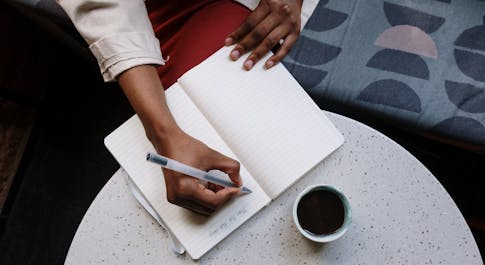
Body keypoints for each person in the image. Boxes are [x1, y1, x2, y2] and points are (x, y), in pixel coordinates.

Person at [58, 0, 319, 215]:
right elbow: (106, 10)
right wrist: (164, 134)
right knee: (208, 160)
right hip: (144, 12)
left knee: (269, 146)